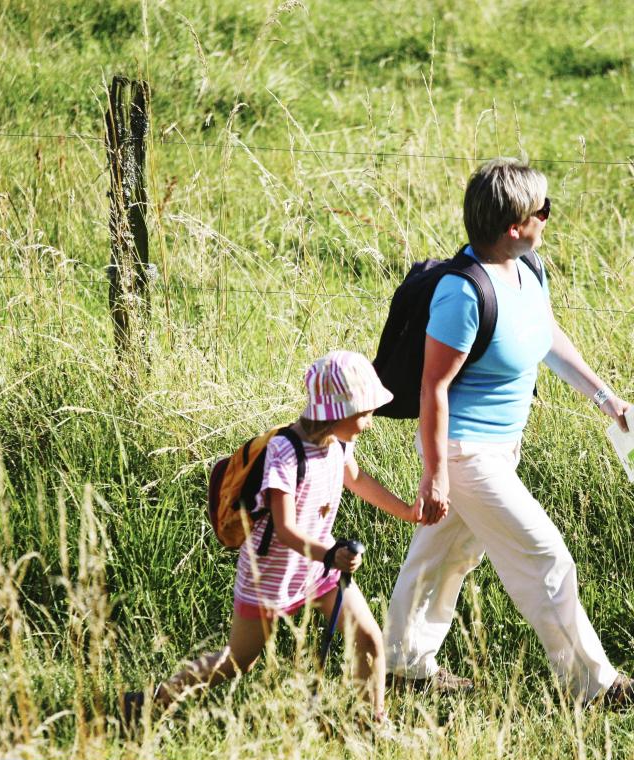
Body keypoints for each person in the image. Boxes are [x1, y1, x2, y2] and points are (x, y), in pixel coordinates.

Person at [384, 158, 634, 707]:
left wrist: (605, 397)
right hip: (466, 454)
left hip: (502, 447)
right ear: (513, 225)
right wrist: (436, 475)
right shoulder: (463, 295)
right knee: (544, 555)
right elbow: (434, 388)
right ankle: (593, 685)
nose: (548, 215)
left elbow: (543, 335)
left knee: (443, 555)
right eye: (540, 209)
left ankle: (402, 665)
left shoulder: (527, 269)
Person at [124, 350, 420, 727]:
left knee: (369, 638)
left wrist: (408, 512)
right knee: (237, 661)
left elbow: (357, 480)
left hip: (318, 570)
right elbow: (285, 529)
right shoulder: (286, 452)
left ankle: (371, 724)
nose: (371, 421)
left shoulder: (341, 443)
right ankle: (153, 702)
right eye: (364, 413)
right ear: (335, 412)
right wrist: (330, 553)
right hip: (270, 577)